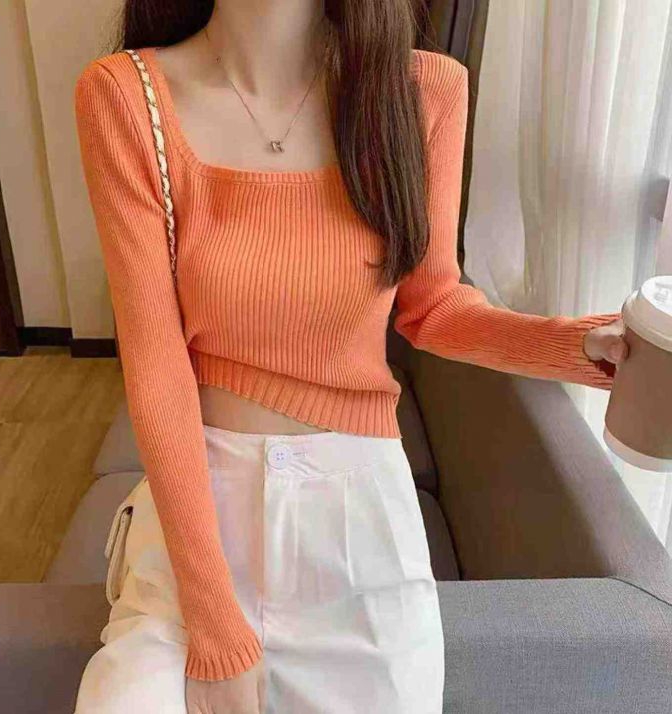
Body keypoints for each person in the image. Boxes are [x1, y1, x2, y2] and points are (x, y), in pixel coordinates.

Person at [72, 2, 627, 712]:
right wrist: (215, 628)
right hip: (198, 512)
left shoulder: (424, 92)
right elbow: (156, 368)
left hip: (359, 520)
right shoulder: (126, 98)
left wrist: (580, 345)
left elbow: (432, 307)